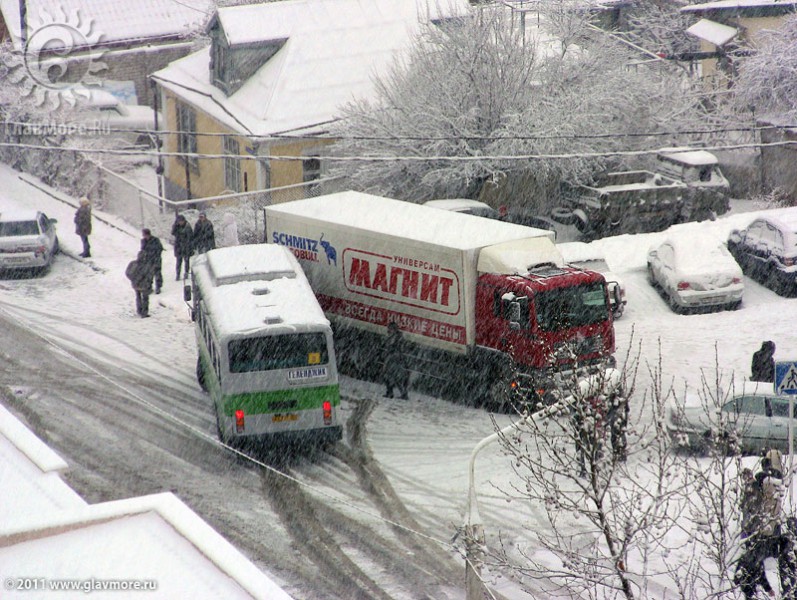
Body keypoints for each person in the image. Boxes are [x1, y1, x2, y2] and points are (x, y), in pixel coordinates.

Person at [735, 449, 796, 599]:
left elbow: (748, 507)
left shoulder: (757, 485)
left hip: (759, 527)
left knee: (755, 556)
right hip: (768, 524)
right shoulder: (774, 483)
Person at [381, 322, 409, 399]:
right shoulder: (397, 337)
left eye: (389, 329)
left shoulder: (396, 337)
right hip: (395, 359)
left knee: (390, 376)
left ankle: (392, 392)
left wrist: (390, 354)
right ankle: (400, 393)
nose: (388, 330)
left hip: (394, 359)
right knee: (393, 377)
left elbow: (394, 348)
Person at [126, 251, 152, 318]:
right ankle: (144, 312)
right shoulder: (147, 264)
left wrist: (133, 279)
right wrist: (149, 282)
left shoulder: (133, 263)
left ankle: (139, 310)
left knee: (138, 297)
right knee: (145, 298)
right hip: (144, 284)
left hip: (135, 284)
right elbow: (150, 275)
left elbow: (127, 272)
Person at [140, 228, 164, 294]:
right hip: (148, 260)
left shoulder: (155, 240)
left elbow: (160, 249)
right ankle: (149, 287)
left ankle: (158, 287)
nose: (144, 236)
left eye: (144, 235)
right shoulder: (143, 241)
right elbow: (142, 250)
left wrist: (155, 255)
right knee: (148, 274)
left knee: (157, 273)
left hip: (156, 259)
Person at [171, 214, 193, 280]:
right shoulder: (176, 227)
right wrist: (175, 225)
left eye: (181, 221)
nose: (180, 222)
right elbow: (173, 233)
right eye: (179, 221)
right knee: (178, 261)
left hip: (186, 246)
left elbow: (190, 237)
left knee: (186, 261)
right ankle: (178, 274)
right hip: (179, 247)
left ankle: (186, 273)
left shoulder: (187, 227)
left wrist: (189, 246)